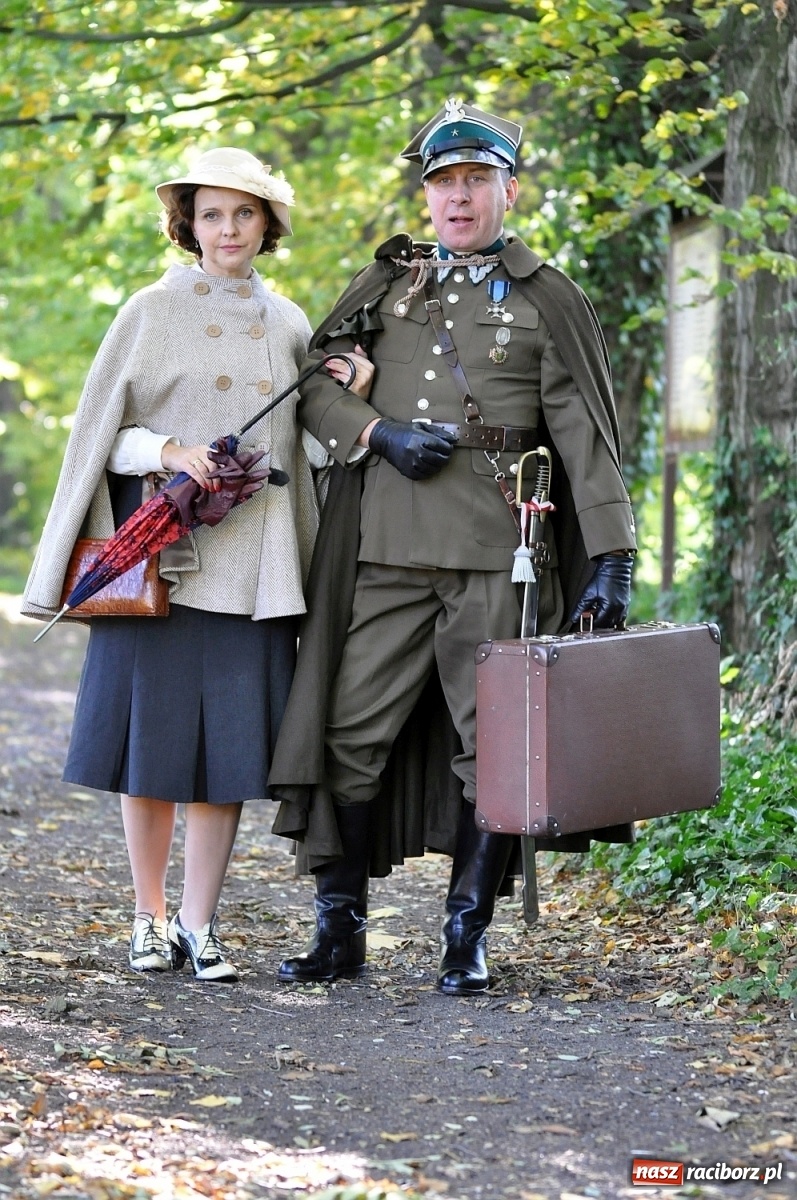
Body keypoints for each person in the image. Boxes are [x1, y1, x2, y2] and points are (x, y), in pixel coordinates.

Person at [269, 99, 637, 995]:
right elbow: (314, 391)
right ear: (425, 194)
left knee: (497, 743)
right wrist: (376, 431)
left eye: (476, 180)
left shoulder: (549, 297)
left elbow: (584, 433)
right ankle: (339, 927)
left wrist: (613, 557)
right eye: (444, 183)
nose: (459, 198)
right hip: (384, 545)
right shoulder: (384, 285)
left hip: (498, 552)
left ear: (508, 188)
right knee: (348, 730)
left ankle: (465, 935)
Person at [22, 147, 370, 982]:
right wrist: (171, 450)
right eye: (211, 214)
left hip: (252, 571)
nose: (227, 229)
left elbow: (308, 450)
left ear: (266, 225)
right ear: (187, 222)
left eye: (243, 214)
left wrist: (352, 394)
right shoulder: (148, 310)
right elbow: (101, 431)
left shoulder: (290, 323)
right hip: (159, 563)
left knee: (224, 762)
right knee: (151, 753)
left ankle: (199, 922)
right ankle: (147, 921)